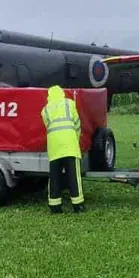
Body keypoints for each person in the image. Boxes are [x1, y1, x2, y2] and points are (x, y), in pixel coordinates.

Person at [41, 84, 85, 214]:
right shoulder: (69, 104)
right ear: (62, 93)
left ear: (49, 96)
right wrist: (76, 139)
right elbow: (77, 124)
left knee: (54, 178)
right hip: (70, 146)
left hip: (54, 148)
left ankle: (54, 206)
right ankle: (78, 205)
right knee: (74, 177)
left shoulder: (45, 110)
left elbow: (48, 127)